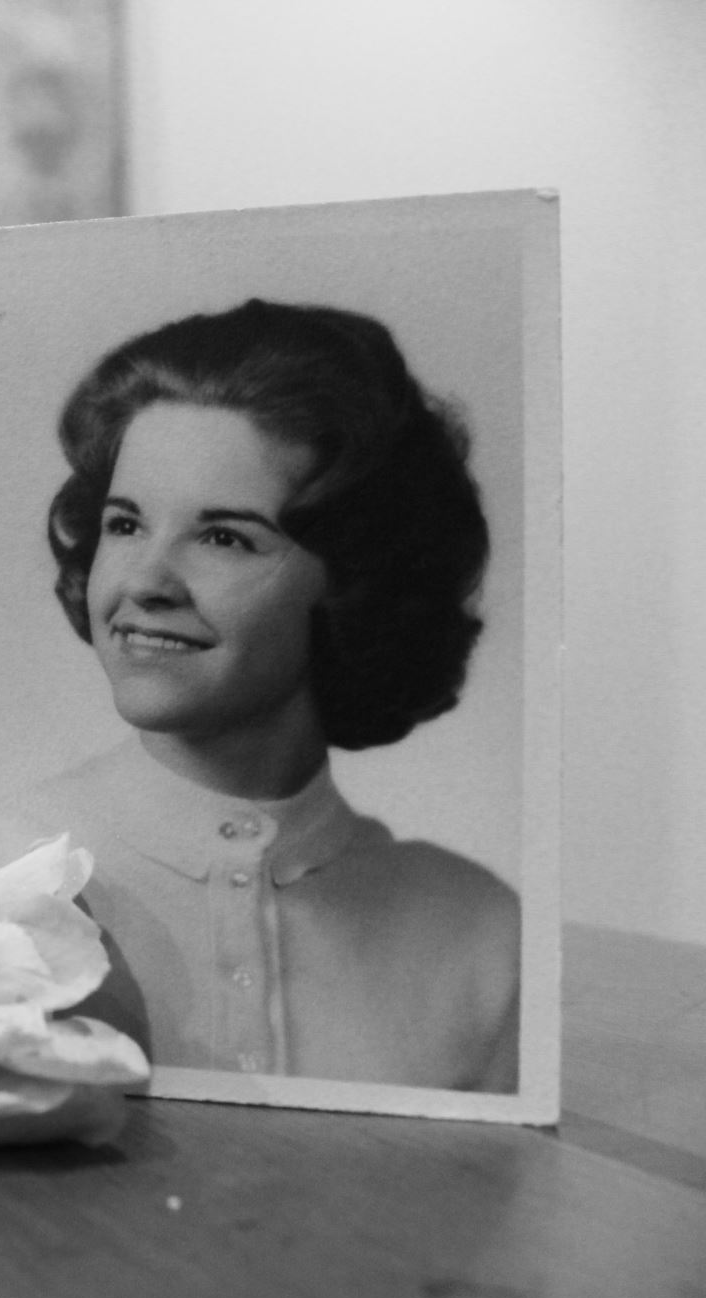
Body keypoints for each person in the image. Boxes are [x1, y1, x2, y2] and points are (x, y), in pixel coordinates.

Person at [36, 299, 519, 1093]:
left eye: (224, 537)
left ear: (356, 579)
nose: (145, 582)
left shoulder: (481, 935)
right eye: (125, 525)